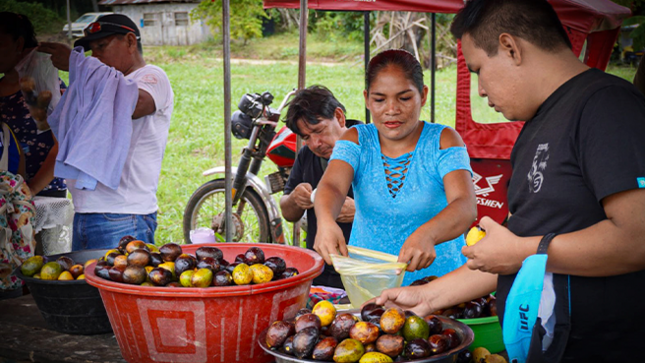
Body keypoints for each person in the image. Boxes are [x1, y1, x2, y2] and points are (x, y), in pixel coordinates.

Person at [375, 0, 645, 361]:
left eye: (478, 70)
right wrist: (428, 296)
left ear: (510, 48)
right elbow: (511, 249)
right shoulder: (537, 124)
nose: (482, 90)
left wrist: (523, 251)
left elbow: (637, 237)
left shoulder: (606, 107)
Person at [314, 49, 477, 286]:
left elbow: (465, 204)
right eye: (380, 99)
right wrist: (326, 220)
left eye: (404, 98)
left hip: (442, 286)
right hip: (371, 285)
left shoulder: (443, 140)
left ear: (423, 95)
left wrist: (428, 233)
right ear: (367, 99)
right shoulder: (355, 139)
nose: (392, 109)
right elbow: (332, 186)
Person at [39, 14, 174, 250]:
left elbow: (135, 105)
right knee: (84, 287)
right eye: (91, 51)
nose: (95, 57)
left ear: (131, 42)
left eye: (102, 47)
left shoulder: (150, 77)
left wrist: (78, 65)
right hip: (83, 212)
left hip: (124, 216)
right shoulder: (99, 88)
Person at [280, 85, 361, 289]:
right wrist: (295, 200)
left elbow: (407, 212)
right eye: (306, 137)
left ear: (339, 117)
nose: (315, 143)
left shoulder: (374, 147)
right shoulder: (307, 156)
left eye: (319, 131)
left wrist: (361, 211)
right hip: (322, 274)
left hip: (366, 273)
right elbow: (288, 212)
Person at [0, 12, 66, 197]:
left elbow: (62, 144)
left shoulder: (41, 89)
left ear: (19, 44)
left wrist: (31, 190)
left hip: (44, 194)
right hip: (6, 196)